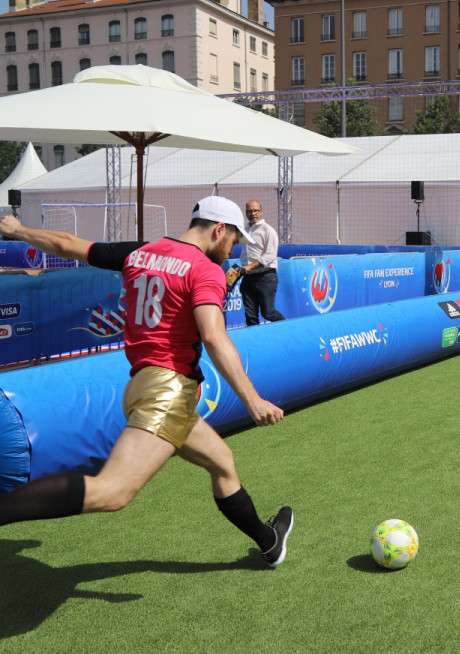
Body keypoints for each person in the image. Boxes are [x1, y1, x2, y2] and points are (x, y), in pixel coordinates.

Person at [0, 197, 293, 567]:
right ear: (219, 229)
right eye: (233, 240)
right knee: (113, 491)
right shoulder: (205, 270)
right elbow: (215, 337)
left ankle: (269, 543)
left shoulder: (140, 252)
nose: (232, 250)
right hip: (167, 392)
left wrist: (18, 230)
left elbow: (65, 244)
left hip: (145, 386)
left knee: (222, 462)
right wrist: (252, 400)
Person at [237, 199, 285, 327]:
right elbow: (242, 250)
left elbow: (270, 255)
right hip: (247, 276)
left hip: (266, 276)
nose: (252, 213)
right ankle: (254, 343)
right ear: (246, 212)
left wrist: (250, 266)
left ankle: (288, 330)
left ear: (261, 211)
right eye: (249, 211)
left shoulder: (268, 230)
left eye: (255, 211)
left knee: (268, 313)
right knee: (250, 316)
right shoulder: (244, 230)